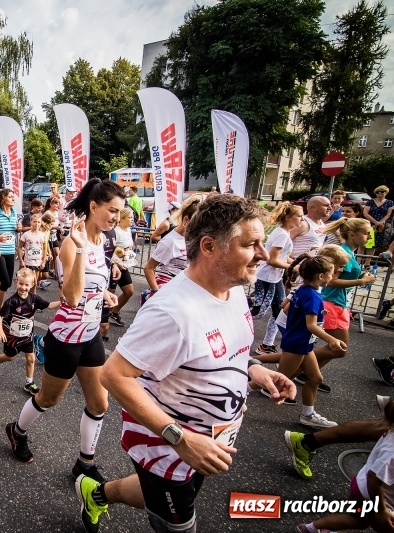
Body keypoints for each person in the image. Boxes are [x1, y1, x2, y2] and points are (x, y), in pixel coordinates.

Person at [78, 194, 295, 533]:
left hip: (210, 440)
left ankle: (98, 493)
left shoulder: (233, 287)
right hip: (167, 444)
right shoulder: (172, 312)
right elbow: (114, 375)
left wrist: (253, 368)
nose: (263, 256)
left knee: (175, 491)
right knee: (180, 522)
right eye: (250, 244)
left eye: (262, 243)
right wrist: (181, 438)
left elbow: (228, 351)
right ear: (209, 246)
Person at [4, 178, 125, 484]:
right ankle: (16, 432)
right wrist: (82, 252)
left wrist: (104, 295)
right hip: (65, 339)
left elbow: (89, 290)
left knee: (99, 404)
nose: (115, 218)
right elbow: (70, 296)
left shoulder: (104, 241)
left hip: (90, 336)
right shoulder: (72, 244)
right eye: (111, 211)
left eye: (120, 213)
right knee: (48, 399)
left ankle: (85, 464)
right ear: (93, 207)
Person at [297, 400, 394, 533]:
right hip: (369, 495)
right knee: (362, 521)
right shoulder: (392, 452)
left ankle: (314, 529)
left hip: (365, 485)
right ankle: (312, 529)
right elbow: (373, 478)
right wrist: (381, 510)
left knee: (358, 521)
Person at [274, 256, 345, 428]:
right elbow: (311, 325)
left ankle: (307, 414)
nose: (333, 276)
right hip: (298, 344)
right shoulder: (313, 296)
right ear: (321, 276)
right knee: (276, 382)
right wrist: (332, 339)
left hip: (303, 344)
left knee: (315, 378)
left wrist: (320, 314)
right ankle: (240, 392)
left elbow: (291, 310)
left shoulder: (302, 290)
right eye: (331, 273)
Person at [311, 218, 376, 387]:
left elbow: (345, 277)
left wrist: (360, 278)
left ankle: (309, 372)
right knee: (339, 348)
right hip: (331, 303)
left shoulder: (351, 252)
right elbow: (331, 280)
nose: (369, 235)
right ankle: (302, 362)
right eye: (365, 232)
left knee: (339, 349)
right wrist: (361, 282)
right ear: (352, 234)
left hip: (340, 304)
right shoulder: (343, 252)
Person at [0, 268, 59, 394]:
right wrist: (0, 330)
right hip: (13, 336)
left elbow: (49, 305)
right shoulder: (12, 301)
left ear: (32, 285)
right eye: (21, 284)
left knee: (31, 359)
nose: (23, 287)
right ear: (16, 282)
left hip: (27, 336)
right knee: (9, 357)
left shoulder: (34, 299)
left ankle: (29, 382)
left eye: (26, 285)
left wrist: (63, 302)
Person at [253, 201, 302, 354]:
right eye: (299, 216)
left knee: (279, 310)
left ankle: (267, 344)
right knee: (258, 312)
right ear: (288, 218)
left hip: (275, 278)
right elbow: (271, 260)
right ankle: (233, 316)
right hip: (267, 277)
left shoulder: (284, 233)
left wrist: (297, 264)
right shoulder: (281, 234)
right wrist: (293, 267)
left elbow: (283, 257)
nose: (302, 219)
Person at [143, 195, 200, 298]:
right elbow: (148, 268)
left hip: (181, 292)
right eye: (197, 226)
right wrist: (156, 292)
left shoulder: (191, 239)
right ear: (186, 220)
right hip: (166, 293)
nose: (199, 231)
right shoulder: (170, 241)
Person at [0, 189, 20, 310]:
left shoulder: (14, 213)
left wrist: (18, 229)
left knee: (8, 282)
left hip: (10, 250)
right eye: (10, 196)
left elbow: (14, 230)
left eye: (13, 196)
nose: (13, 199)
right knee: (5, 282)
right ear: (3, 199)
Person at [108, 208, 136, 327]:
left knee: (129, 291)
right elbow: (110, 250)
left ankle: (114, 312)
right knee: (110, 293)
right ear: (122, 218)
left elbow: (128, 247)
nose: (132, 220)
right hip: (113, 266)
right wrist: (118, 260)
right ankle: (100, 317)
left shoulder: (128, 230)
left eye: (132, 217)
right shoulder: (116, 231)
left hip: (124, 267)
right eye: (130, 217)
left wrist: (129, 254)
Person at [17, 214, 48, 293]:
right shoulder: (26, 234)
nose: (36, 224)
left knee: (34, 283)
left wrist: (43, 261)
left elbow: (44, 248)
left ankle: (32, 301)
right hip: (28, 263)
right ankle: (25, 299)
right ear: (30, 222)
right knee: (27, 282)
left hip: (38, 262)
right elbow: (19, 247)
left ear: (41, 223)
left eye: (38, 222)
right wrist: (21, 261)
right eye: (34, 222)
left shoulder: (42, 235)